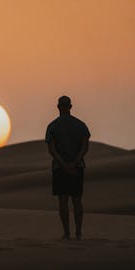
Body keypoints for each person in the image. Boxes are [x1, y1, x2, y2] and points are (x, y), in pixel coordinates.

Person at [45, 96, 90, 240]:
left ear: (58, 107)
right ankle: (78, 233)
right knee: (77, 200)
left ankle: (67, 233)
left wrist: (64, 165)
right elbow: (84, 147)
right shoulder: (81, 125)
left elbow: (52, 150)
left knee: (63, 201)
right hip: (77, 167)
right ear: (70, 106)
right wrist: (74, 163)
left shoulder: (53, 126)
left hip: (60, 168)